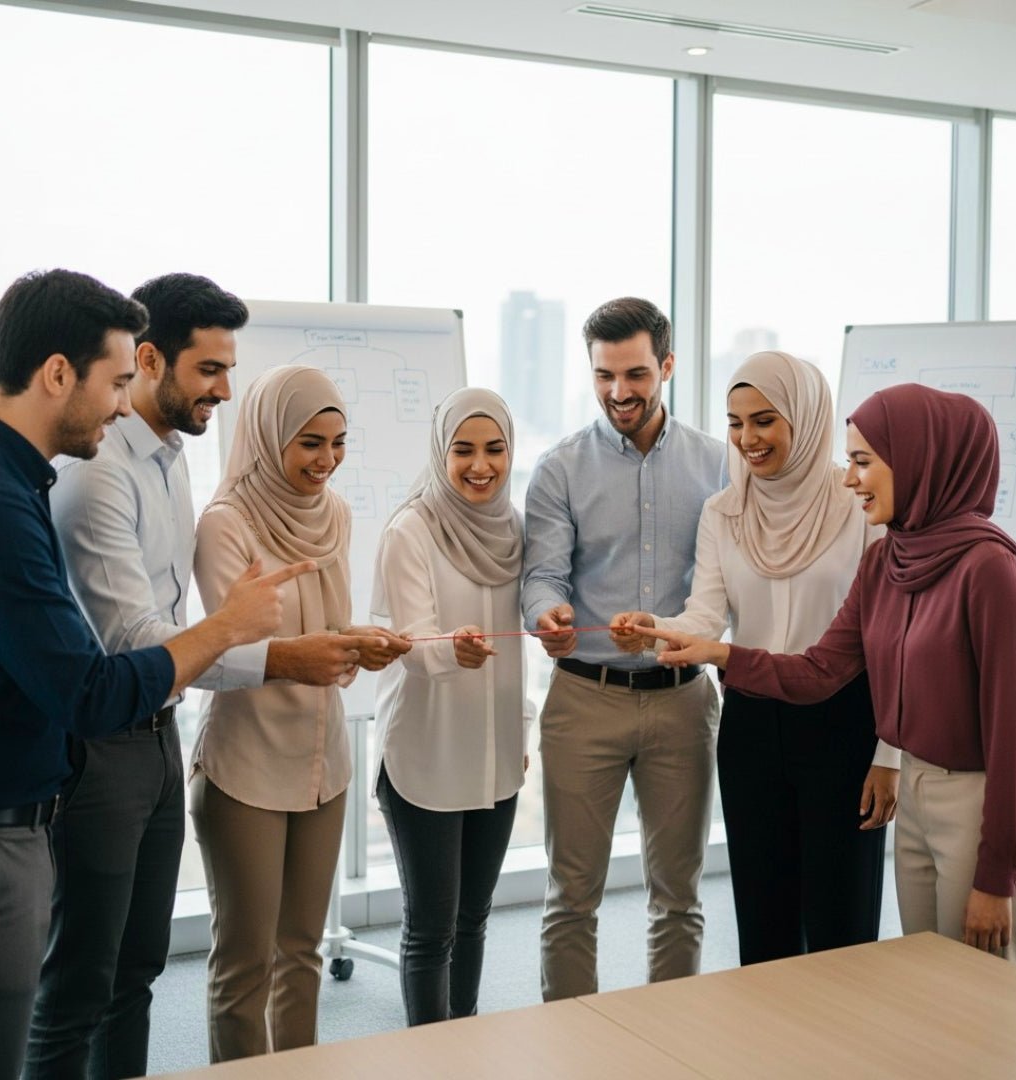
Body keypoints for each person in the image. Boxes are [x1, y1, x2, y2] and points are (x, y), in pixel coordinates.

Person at [0, 269, 305, 1080]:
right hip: (4, 817)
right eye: (113, 383)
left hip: (101, 760)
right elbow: (92, 683)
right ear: (57, 375)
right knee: (60, 1001)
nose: (116, 406)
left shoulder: (18, 477)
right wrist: (235, 631)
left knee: (126, 976)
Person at [26, 274, 372, 1079]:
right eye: (210, 369)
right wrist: (272, 649)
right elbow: (138, 638)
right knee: (82, 981)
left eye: (228, 369)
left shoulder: (168, 458)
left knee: (135, 973)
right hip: (104, 740)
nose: (224, 387)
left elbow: (173, 632)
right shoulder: (101, 472)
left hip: (156, 735)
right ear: (150, 360)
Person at [648, 383, 1016, 963]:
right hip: (920, 801)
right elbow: (820, 670)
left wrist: (999, 875)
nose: (850, 479)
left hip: (979, 800)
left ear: (922, 462)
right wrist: (715, 653)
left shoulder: (991, 571)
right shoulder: (888, 559)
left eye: (863, 462)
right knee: (931, 980)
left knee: (986, 994)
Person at [610, 351, 899, 966]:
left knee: (841, 932)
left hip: (844, 723)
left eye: (764, 420)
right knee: (764, 927)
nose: (747, 439)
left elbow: (889, 642)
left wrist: (889, 756)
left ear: (804, 416)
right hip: (751, 724)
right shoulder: (724, 510)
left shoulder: (858, 503)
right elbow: (704, 617)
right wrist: (653, 629)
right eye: (735, 423)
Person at [189, 364, 410, 1061]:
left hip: (324, 762)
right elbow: (226, 651)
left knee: (303, 951)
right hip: (247, 763)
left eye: (338, 443)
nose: (326, 461)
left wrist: (361, 645)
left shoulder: (335, 514)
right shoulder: (226, 524)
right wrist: (317, 650)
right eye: (309, 443)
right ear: (268, 435)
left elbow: (329, 627)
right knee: (245, 963)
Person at [521, 297, 725, 1000]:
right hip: (584, 697)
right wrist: (547, 612)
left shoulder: (719, 466)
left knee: (679, 894)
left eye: (635, 374)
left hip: (683, 700)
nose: (619, 393)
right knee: (571, 895)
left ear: (667, 366)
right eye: (604, 376)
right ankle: (573, 1045)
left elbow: (726, 585)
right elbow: (543, 573)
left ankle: (669, 1048)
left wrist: (684, 631)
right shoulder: (558, 469)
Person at [371, 387, 529, 1025]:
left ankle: (462, 1046)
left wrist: (515, 729)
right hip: (426, 751)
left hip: (494, 752)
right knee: (431, 928)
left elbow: (523, 645)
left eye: (494, 449)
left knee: (474, 918)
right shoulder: (412, 529)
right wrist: (448, 650)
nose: (480, 465)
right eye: (463, 450)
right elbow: (410, 640)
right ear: (441, 452)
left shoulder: (513, 527)